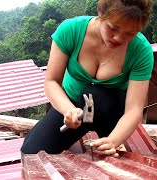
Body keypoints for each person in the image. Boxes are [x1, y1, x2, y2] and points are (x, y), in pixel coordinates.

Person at [21, 0, 153, 157]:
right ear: (100, 13)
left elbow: (134, 109)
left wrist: (113, 141)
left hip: (112, 112)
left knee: (92, 94)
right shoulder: (71, 30)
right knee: (31, 152)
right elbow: (51, 81)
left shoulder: (141, 50)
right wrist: (67, 110)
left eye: (130, 33)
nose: (118, 38)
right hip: (74, 109)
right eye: (113, 28)